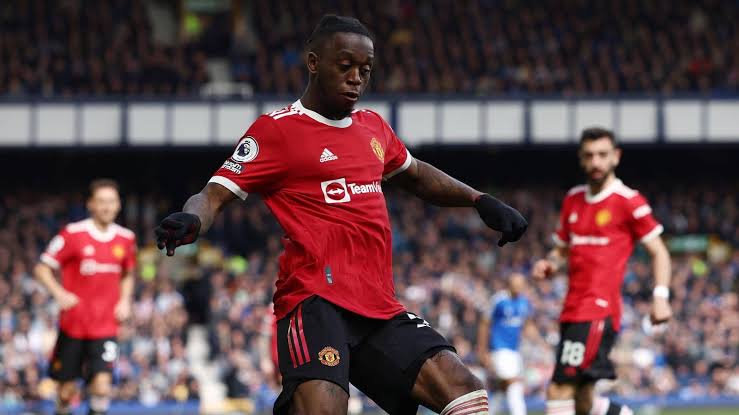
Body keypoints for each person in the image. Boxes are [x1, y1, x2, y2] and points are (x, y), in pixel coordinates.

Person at [154, 14, 528, 415]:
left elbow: (416, 174)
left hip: (379, 305)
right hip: (314, 301)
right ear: (314, 62)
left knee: (465, 391)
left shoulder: (373, 127)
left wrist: (479, 200)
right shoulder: (276, 130)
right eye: (345, 65)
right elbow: (213, 194)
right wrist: (193, 219)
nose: (356, 78)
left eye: (365, 70)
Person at [532, 127, 672, 415]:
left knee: (559, 388)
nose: (595, 161)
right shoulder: (573, 199)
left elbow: (659, 252)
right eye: (589, 155)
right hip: (571, 309)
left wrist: (660, 297)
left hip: (598, 309)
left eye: (602, 155)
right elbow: (561, 249)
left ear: (615, 157)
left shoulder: (628, 201)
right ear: (581, 158)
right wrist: (550, 263)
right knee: (583, 400)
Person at [34, 179, 136, 415]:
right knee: (66, 392)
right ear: (91, 204)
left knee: (102, 387)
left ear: (118, 205)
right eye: (101, 201)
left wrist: (125, 300)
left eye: (111, 201)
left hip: (106, 327)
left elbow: (128, 273)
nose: (106, 207)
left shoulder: (126, 238)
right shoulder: (72, 234)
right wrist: (59, 293)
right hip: (74, 326)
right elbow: (41, 268)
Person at [477, 273, 535, 415]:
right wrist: (482, 351)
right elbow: (484, 324)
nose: (519, 287)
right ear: (509, 285)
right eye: (516, 284)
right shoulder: (498, 300)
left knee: (502, 388)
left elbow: (528, 324)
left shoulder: (524, 302)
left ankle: (488, 413)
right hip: (499, 349)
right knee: (514, 383)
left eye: (521, 284)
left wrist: (541, 343)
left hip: (515, 350)